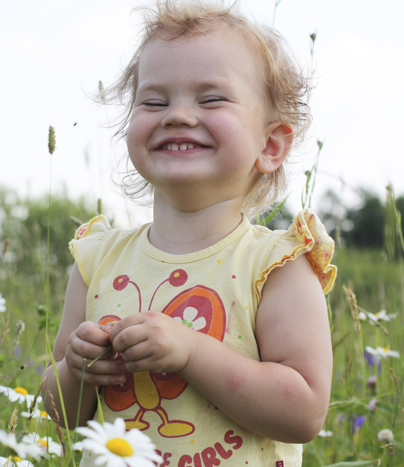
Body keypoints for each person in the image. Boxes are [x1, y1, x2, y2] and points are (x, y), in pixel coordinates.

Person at [41, 1, 337, 465]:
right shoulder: (97, 261)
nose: (177, 115)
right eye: (154, 101)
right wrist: (77, 371)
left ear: (271, 143)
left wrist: (190, 352)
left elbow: (304, 411)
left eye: (211, 98)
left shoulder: (277, 266)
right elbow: (65, 415)